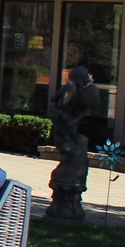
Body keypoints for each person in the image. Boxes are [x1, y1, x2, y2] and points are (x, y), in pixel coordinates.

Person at [46, 65, 103, 221]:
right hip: (62, 124)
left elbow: (86, 110)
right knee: (68, 150)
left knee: (77, 151)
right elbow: (53, 101)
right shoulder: (68, 89)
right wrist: (66, 95)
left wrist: (74, 120)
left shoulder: (86, 92)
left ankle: (71, 193)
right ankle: (64, 194)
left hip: (72, 125)